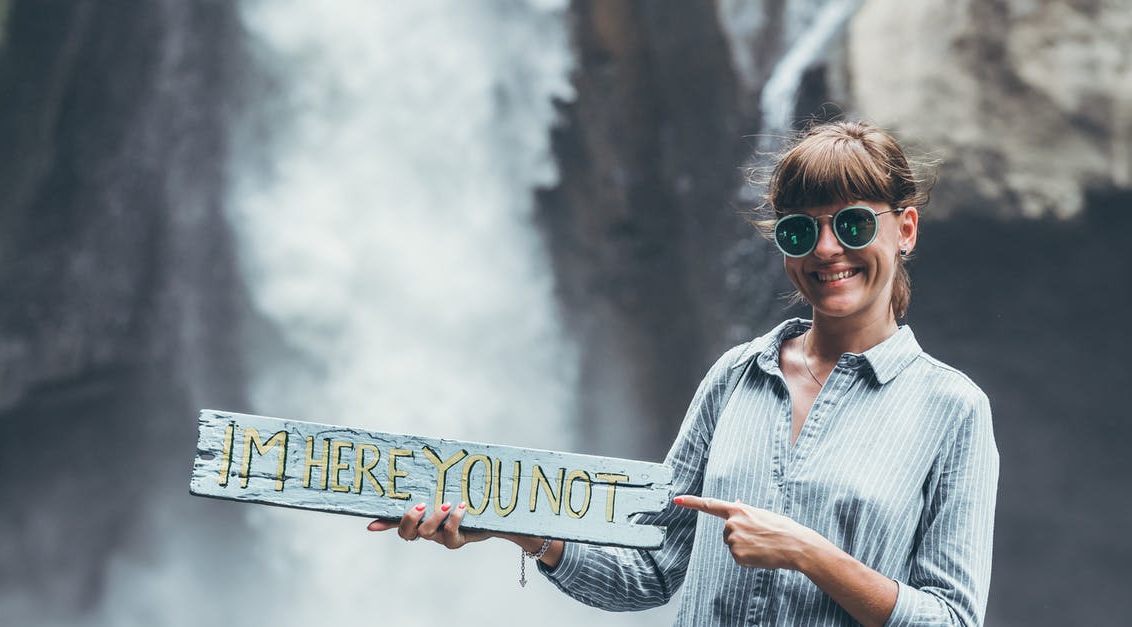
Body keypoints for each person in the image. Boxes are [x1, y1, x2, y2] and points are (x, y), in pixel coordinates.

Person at [368, 120, 999, 627]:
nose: (828, 249)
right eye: (801, 230)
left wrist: (807, 552)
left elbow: (950, 619)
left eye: (854, 223)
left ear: (905, 229)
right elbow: (651, 573)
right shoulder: (737, 377)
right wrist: (523, 529)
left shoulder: (952, 410)